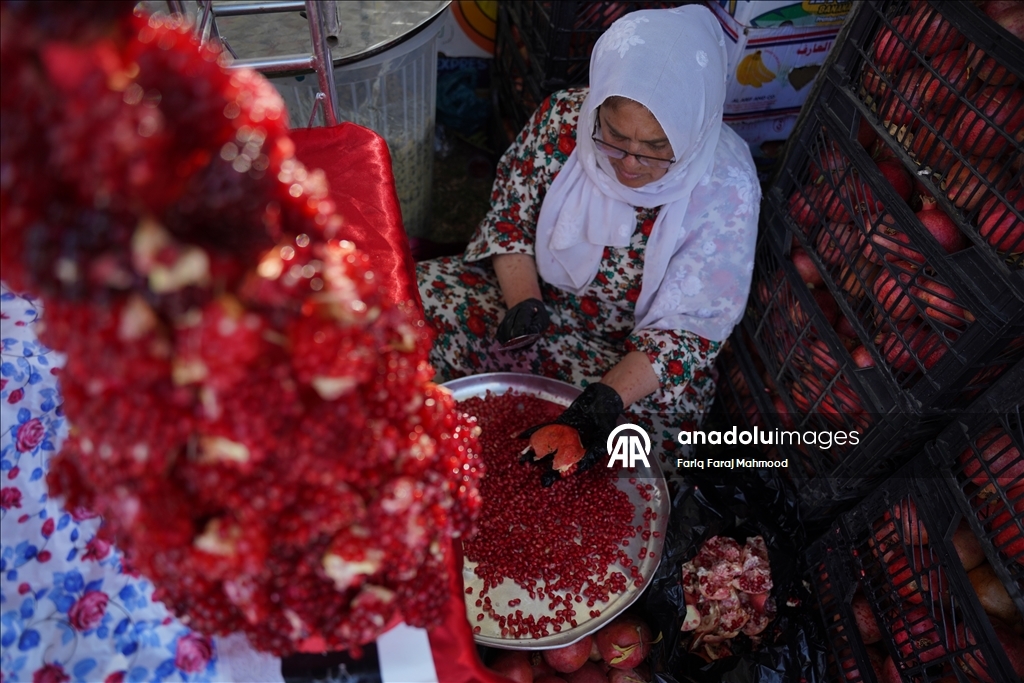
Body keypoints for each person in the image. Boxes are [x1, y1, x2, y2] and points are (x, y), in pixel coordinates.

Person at [416, 5, 760, 480]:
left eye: (657, 149)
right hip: (544, 315)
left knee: (637, 458)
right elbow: (510, 219)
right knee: (417, 301)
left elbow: (693, 329)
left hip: (632, 367)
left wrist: (602, 403)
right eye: (614, 139)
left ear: (695, 132)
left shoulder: (727, 185)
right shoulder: (563, 121)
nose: (630, 165)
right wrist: (524, 303)